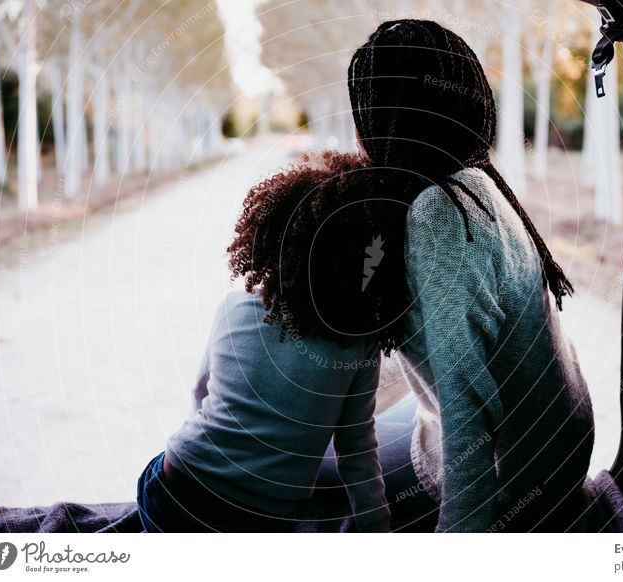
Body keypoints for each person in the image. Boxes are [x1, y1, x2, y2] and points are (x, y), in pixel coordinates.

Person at [345, 19, 595, 532]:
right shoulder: (475, 184)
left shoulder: (439, 214)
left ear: (382, 117)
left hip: (520, 475)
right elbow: (449, 357)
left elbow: (468, 406)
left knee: (328, 458)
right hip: (555, 446)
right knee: (358, 422)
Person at [136, 152, 400, 532]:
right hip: (261, 520)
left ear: (276, 241)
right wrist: (376, 526)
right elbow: (356, 448)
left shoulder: (236, 306)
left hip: (176, 488)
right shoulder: (357, 343)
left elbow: (199, 392)